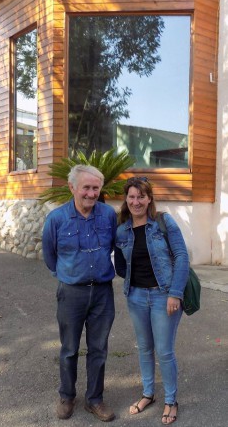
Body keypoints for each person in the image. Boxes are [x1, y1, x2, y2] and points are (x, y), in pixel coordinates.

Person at [42, 164, 117, 422]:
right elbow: (50, 256)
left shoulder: (108, 215)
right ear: (72, 187)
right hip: (71, 293)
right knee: (70, 348)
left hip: (102, 294)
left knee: (99, 349)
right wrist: (67, 275)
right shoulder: (57, 219)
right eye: (86, 187)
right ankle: (67, 396)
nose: (91, 193)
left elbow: (117, 247)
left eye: (96, 188)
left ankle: (94, 399)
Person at [114, 177, 189, 425]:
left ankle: (171, 401)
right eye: (132, 197)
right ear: (126, 199)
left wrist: (175, 293)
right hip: (136, 296)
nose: (136, 201)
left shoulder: (163, 222)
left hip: (163, 295)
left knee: (164, 351)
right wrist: (134, 282)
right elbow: (122, 265)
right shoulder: (122, 230)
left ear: (149, 199)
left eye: (141, 196)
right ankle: (148, 394)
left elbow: (181, 256)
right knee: (145, 348)